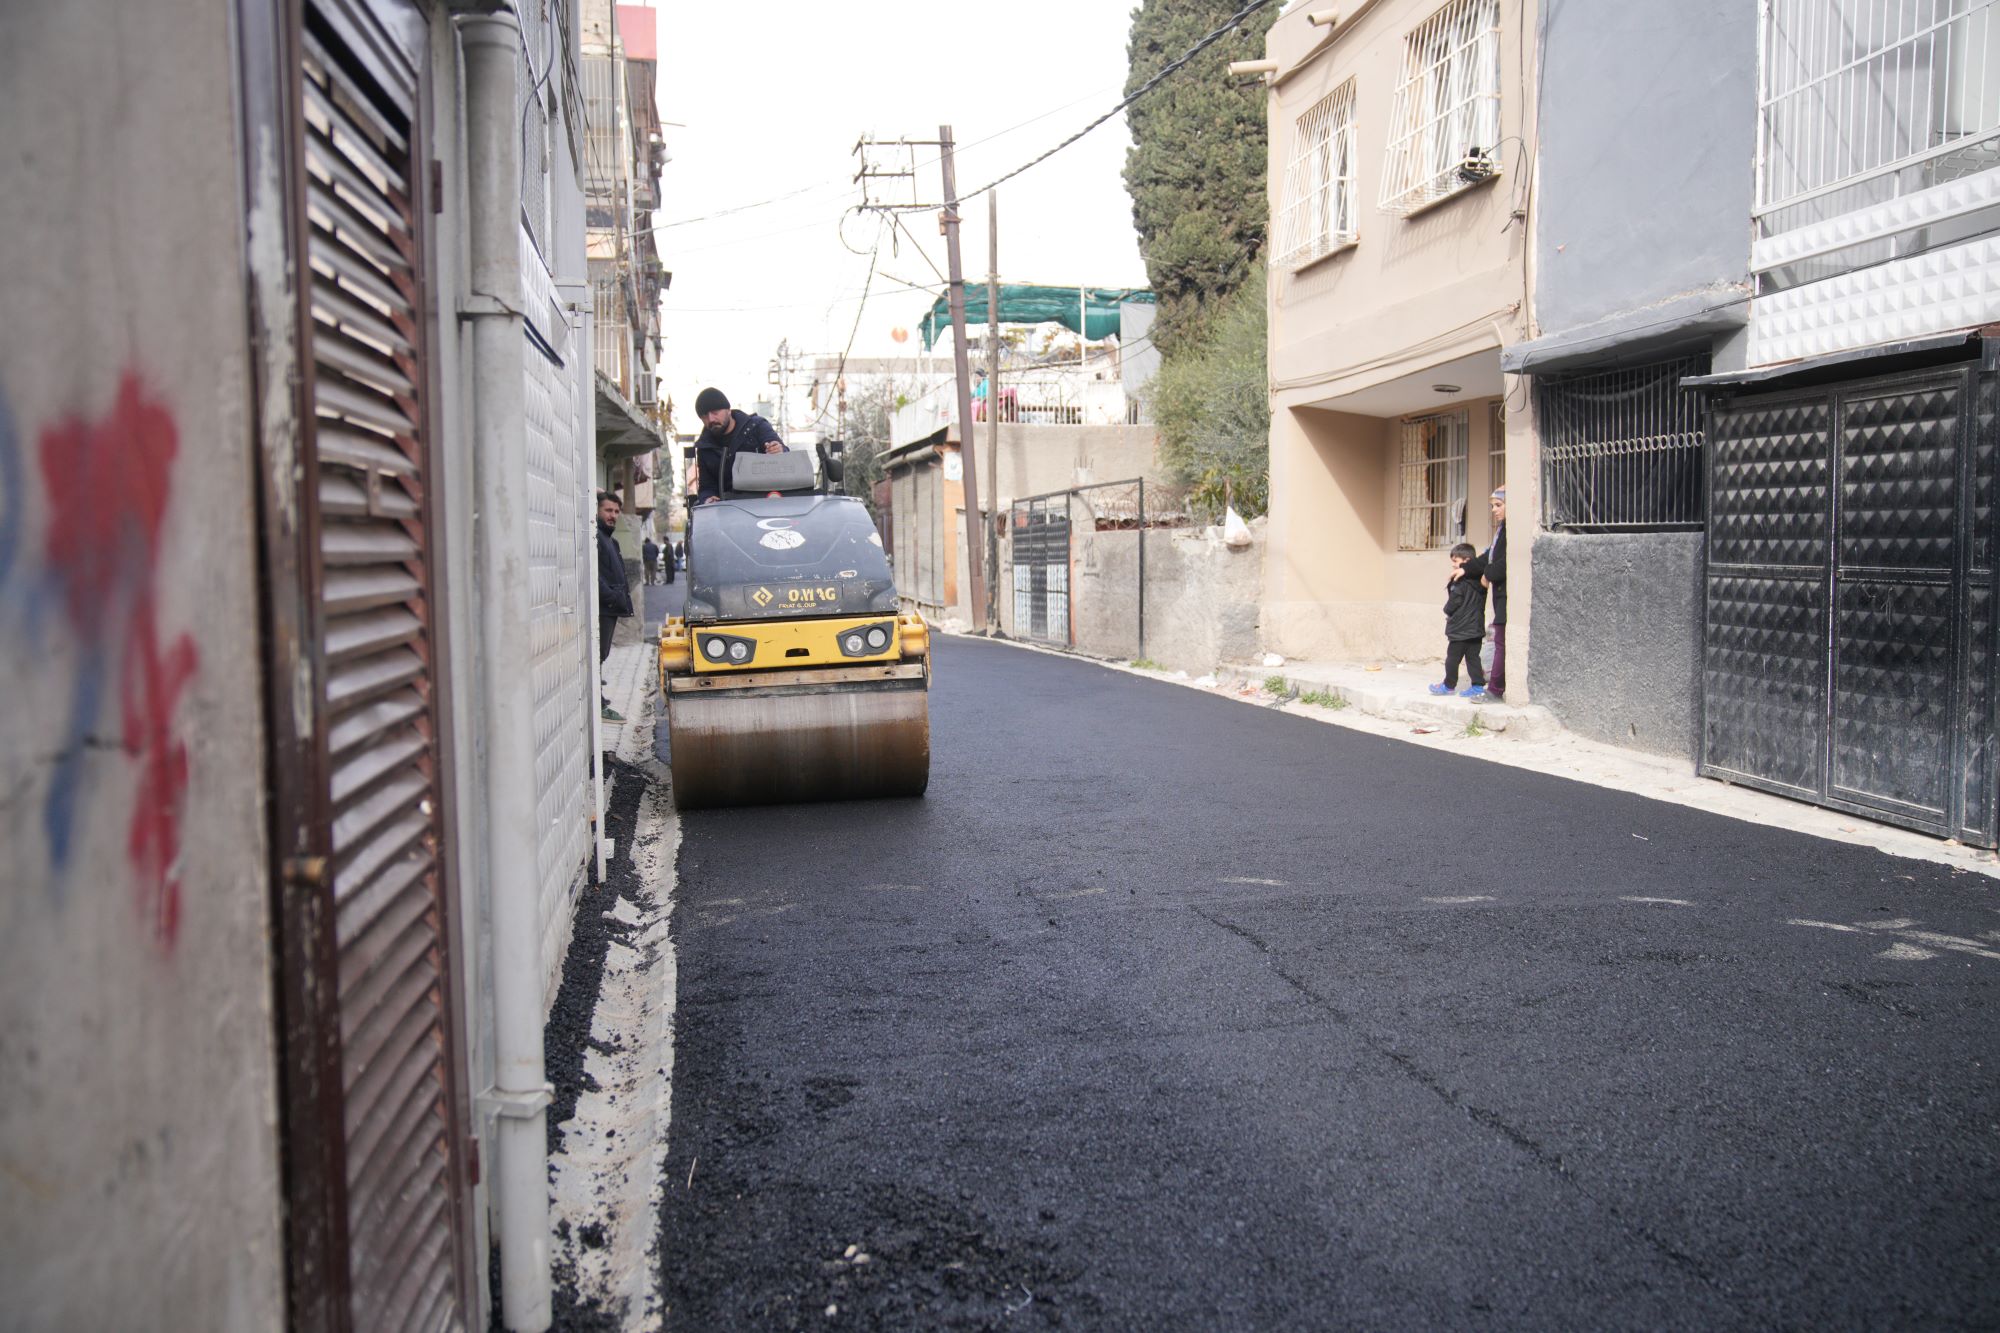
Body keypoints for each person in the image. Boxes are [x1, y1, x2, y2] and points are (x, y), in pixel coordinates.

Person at [691, 387, 785, 505]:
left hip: (766, 502)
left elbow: (783, 454)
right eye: (704, 416)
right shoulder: (705, 448)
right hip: (730, 511)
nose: (711, 419)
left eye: (715, 412)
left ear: (728, 410)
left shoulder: (756, 427)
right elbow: (706, 486)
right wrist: (708, 498)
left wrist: (777, 449)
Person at [1430, 542, 1489, 699]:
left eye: (1456, 561)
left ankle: (1448, 685)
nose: (1454, 566)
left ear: (1467, 561)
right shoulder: (1480, 579)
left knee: (1452, 659)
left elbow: (1454, 602)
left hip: (1460, 629)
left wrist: (1447, 610)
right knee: (1473, 659)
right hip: (1475, 628)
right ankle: (1477, 686)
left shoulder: (1461, 581)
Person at [596, 490, 633, 722]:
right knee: (597, 655)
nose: (613, 515)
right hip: (603, 607)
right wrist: (611, 596)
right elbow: (596, 576)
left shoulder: (609, 538)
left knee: (603, 655)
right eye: (608, 510)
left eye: (616, 511)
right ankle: (598, 706)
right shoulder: (596, 537)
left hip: (610, 607)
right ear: (597, 511)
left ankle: (599, 700)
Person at [1482, 487, 1508, 698]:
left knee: (1500, 642)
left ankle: (1496, 689)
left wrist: (1487, 574)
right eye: (1493, 506)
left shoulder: (1510, 533)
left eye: (1498, 505)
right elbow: (1488, 557)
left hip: (1506, 597)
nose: (1494, 510)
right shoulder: (1501, 531)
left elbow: (1502, 565)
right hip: (1500, 597)